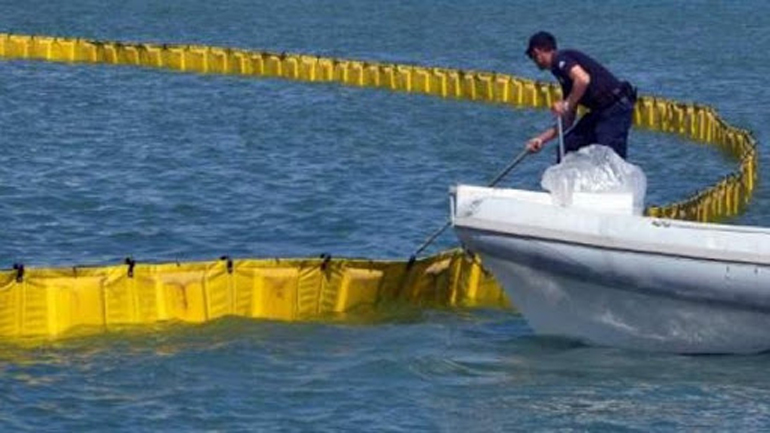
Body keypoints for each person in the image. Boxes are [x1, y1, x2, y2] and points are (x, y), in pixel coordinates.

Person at [524, 31, 636, 161]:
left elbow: (583, 79)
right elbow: (567, 121)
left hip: (615, 108)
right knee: (567, 147)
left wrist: (566, 104)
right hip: (598, 112)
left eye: (532, 56)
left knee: (607, 157)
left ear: (537, 52)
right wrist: (541, 139)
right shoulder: (562, 75)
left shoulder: (560, 58)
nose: (533, 61)